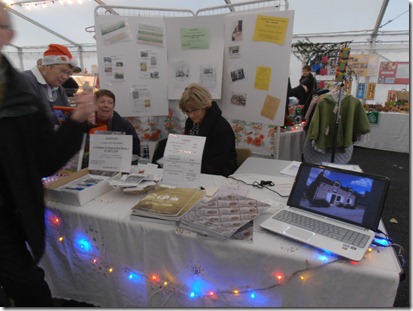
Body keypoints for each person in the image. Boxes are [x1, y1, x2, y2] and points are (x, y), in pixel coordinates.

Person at [0, 2, 96, 307]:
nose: (65, 76)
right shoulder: (26, 85)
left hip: (9, 210)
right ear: (46, 66)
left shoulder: (17, 89)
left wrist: (78, 120)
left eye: (69, 71)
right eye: (63, 70)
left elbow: (43, 157)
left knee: (28, 284)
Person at [178, 83, 237, 177]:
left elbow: (215, 165)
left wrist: (184, 168)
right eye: (187, 111)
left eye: (195, 110)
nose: (191, 115)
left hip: (219, 176)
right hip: (196, 171)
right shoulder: (191, 122)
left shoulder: (221, 128)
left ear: (205, 106)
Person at [22, 43, 77, 126]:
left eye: (69, 73)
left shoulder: (58, 88)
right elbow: (31, 118)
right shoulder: (25, 81)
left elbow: (67, 114)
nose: (65, 77)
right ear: (48, 66)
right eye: (62, 71)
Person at [91, 89, 141, 156]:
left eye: (110, 103)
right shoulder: (84, 122)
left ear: (113, 106)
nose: (106, 105)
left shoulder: (125, 126)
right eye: (102, 101)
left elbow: (135, 150)